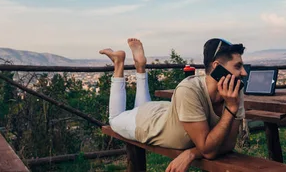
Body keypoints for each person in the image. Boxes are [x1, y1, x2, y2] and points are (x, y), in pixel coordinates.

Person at [100, 38, 247, 172]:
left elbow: (228, 144)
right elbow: (208, 151)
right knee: (114, 118)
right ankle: (119, 64)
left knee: (144, 105)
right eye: (238, 66)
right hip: (146, 123)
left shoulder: (233, 91)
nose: (244, 72)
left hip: (164, 112)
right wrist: (231, 108)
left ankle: (140, 66)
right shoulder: (189, 89)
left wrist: (191, 153)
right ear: (217, 67)